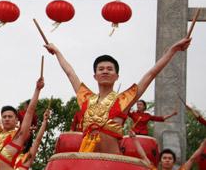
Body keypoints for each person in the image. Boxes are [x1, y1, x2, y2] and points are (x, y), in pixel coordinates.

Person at [43, 37, 191, 154]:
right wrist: (57, 52)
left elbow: (151, 74)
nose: (105, 71)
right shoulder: (86, 98)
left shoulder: (124, 100)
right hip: (86, 161)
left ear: (117, 76)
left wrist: (173, 49)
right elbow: (70, 73)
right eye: (101, 69)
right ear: (95, 76)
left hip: (112, 162)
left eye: (109, 69)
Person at [0, 76, 44, 170]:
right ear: (1, 120)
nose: (6, 119)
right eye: (4, 117)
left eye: (10, 117)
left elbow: (29, 112)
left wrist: (37, 90)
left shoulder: (18, 136)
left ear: (16, 120)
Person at [14, 106, 50, 170]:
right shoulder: (6, 158)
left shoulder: (26, 159)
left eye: (20, 144)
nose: (16, 145)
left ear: (24, 147)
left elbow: (37, 140)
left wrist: (45, 121)